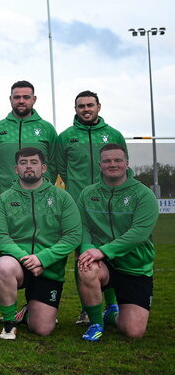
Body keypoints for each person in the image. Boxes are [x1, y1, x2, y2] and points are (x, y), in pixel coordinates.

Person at [0, 147, 81, 339]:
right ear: (16, 169)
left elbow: (73, 236)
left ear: (44, 167)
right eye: (23, 163)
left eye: (33, 162)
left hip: (49, 267)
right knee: (3, 265)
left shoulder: (62, 197)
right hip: (18, 263)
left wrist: (42, 258)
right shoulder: (5, 199)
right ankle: (9, 323)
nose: (29, 167)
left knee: (42, 329)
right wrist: (26, 259)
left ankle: (28, 311)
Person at [57, 90, 128, 324]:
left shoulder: (114, 134)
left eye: (90, 105)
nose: (86, 109)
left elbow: (122, 167)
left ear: (99, 106)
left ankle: (113, 305)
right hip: (80, 208)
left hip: (110, 206)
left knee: (112, 253)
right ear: (75, 109)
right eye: (81, 106)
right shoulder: (66, 136)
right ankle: (87, 308)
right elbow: (62, 169)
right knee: (83, 257)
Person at [76, 143, 159, 342]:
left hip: (135, 267)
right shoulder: (88, 194)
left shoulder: (143, 195)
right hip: (105, 264)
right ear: (100, 164)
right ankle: (96, 324)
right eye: (107, 161)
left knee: (133, 331)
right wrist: (88, 250)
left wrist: (103, 251)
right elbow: (82, 228)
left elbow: (138, 233)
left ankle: (111, 315)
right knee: (86, 265)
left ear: (127, 163)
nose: (112, 164)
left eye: (117, 160)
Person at [0, 80, 58, 194]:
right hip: (8, 193)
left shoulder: (47, 128)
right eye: (17, 97)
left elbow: (54, 162)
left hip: (41, 194)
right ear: (10, 99)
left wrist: (46, 183)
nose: (21, 101)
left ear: (34, 99)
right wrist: (3, 183)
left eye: (26, 97)